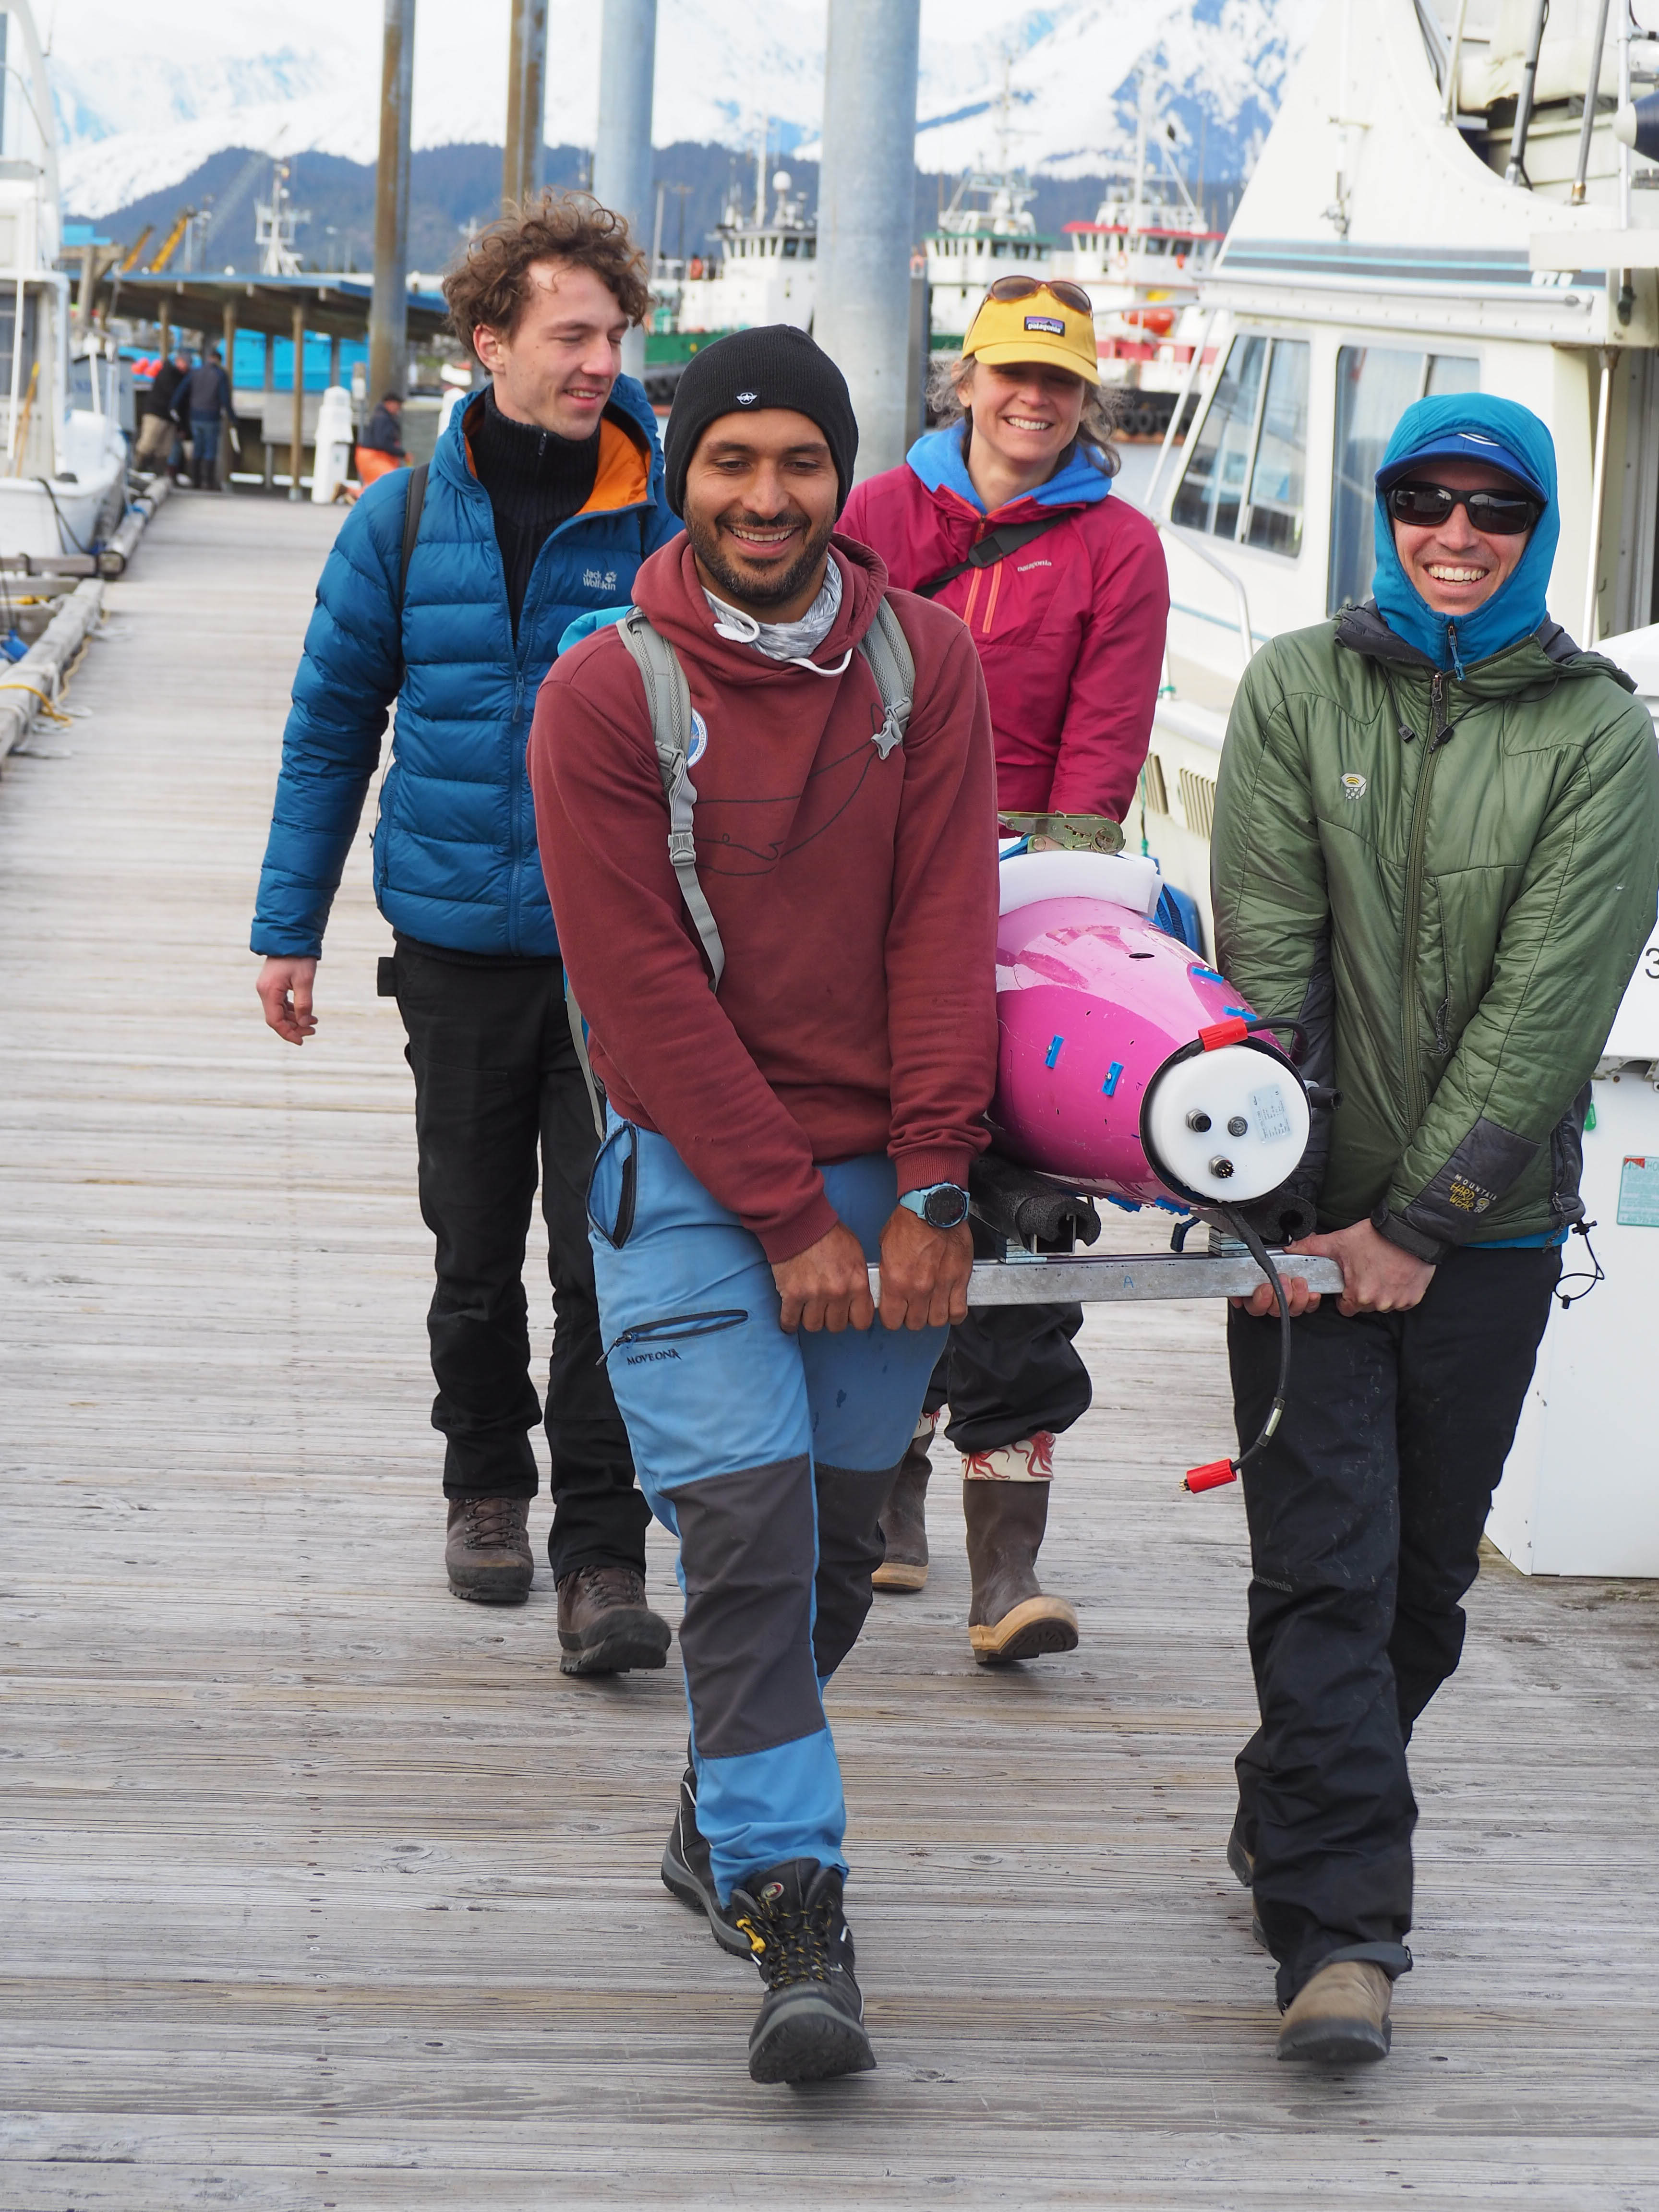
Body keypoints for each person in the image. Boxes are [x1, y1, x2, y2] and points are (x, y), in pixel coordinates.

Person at [528, 326, 998, 2082]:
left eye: (800, 460)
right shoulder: (603, 694)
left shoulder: (924, 664)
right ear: (679, 472)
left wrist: (936, 1177)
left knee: (832, 1556)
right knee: (739, 1529)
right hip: (696, 1172)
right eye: (731, 460)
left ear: (843, 476)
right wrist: (793, 1210)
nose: (765, 494)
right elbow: (641, 997)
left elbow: (947, 926)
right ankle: (796, 1903)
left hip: (892, 1172)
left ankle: (717, 1799)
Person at [1210, 392, 1659, 2065]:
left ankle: (1291, 1796)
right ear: (1381, 507)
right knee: (1318, 1568)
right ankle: (1339, 1927)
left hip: (1481, 1237)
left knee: (1414, 1589)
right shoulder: (1291, 687)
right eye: (1421, 500)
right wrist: (1297, 1211)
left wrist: (1420, 1216)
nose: (1451, 535)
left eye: (1488, 508)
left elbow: (1553, 1000)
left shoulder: (1602, 736)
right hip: (1304, 1228)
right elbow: (1267, 953)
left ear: (1535, 525)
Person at [251, 194, 682, 1668]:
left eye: (613, 335)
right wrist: (288, 927)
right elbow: (330, 727)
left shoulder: (666, 520)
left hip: (622, 956)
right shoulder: (402, 517)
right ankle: (487, 1487)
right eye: (571, 334)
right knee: (474, 1252)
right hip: (450, 945)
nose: (598, 361)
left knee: (610, 1254)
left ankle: (605, 1560)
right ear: (490, 340)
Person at [842, 276, 1168, 1661]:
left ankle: (1004, 1569)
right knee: (894, 1186)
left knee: (1027, 1214)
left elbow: (1098, 765)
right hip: (869, 892)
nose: (1032, 402)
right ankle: (893, 1479)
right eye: (1010, 375)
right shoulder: (876, 517)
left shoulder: (1120, 548)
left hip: (1030, 906)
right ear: (964, 380)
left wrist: (1026, 889)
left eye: (1060, 383)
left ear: (1085, 399)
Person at [176, 346, 232, 490]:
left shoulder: (196, 372)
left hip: (195, 416)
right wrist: (233, 417)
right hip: (212, 416)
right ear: (219, 360)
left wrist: (173, 407)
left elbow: (181, 391)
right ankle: (208, 482)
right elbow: (225, 399)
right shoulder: (220, 375)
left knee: (198, 448)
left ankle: (195, 481)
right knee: (210, 450)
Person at [134, 351, 186, 475]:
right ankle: (138, 469)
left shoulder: (182, 378)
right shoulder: (168, 373)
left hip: (169, 418)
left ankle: (158, 473)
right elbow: (172, 394)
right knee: (148, 443)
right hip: (156, 414)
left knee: (165, 449)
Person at [356, 391, 407, 486]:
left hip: (373, 457)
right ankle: (350, 492)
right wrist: (402, 453)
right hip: (374, 458)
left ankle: (350, 493)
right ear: (389, 403)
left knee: (375, 486)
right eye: (397, 405)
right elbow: (383, 442)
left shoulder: (383, 416)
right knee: (388, 484)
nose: (399, 409)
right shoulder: (383, 418)